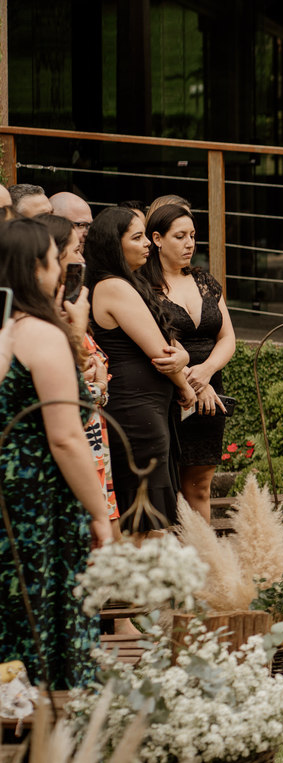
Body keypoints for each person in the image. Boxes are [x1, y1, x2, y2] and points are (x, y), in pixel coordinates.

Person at [0, 217, 112, 690]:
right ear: (36, 269)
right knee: (42, 604)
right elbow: (66, 436)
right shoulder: (39, 335)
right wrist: (99, 515)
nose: (63, 270)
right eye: (55, 260)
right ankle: (51, 706)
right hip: (37, 496)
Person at [85, 207, 194, 532]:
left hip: (144, 408)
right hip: (135, 412)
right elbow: (161, 353)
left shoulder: (128, 282)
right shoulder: (113, 286)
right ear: (114, 245)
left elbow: (170, 344)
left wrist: (184, 356)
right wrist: (185, 386)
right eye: (137, 237)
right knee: (145, 520)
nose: (147, 243)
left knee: (151, 514)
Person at [141, 205, 234, 521]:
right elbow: (157, 341)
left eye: (192, 236)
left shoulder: (204, 280)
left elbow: (227, 338)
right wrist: (191, 381)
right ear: (157, 239)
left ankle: (201, 551)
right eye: (180, 236)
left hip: (210, 392)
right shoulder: (143, 287)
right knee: (166, 488)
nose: (189, 244)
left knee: (200, 487)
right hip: (170, 392)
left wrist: (206, 372)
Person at [39, 213, 121, 532]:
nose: (82, 259)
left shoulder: (68, 309)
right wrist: (98, 387)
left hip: (93, 442)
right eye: (75, 251)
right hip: (73, 448)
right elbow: (67, 394)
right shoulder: (46, 322)